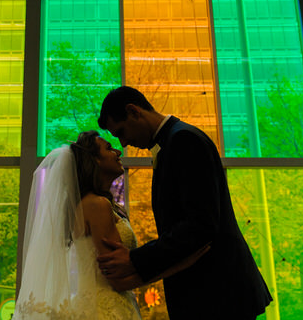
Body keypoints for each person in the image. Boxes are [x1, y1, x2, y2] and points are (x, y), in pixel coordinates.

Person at [96, 86, 272, 320]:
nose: (124, 142)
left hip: (217, 292)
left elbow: (201, 225)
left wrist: (135, 260)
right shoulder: (173, 141)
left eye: (121, 132)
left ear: (134, 111)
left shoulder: (183, 140)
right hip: (208, 291)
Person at [14, 131, 141, 320]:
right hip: (105, 308)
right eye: (109, 148)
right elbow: (115, 276)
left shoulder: (87, 204)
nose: (118, 152)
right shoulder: (97, 205)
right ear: (94, 160)